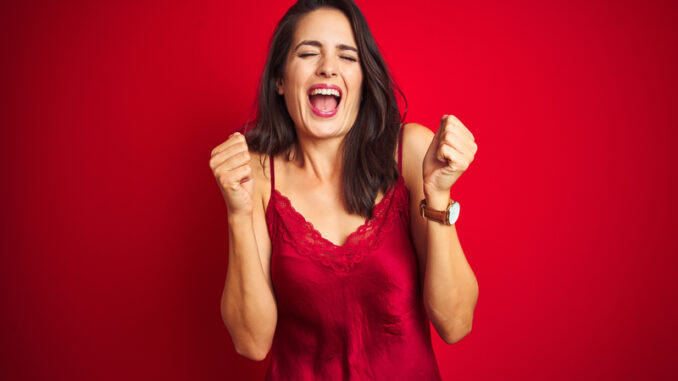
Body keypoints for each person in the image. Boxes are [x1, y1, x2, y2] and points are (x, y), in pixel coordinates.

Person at [209, 0, 479, 379]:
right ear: (280, 79)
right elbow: (252, 343)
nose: (328, 68)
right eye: (308, 52)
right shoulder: (255, 173)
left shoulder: (413, 153)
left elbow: (456, 323)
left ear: (364, 80)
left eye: (347, 56)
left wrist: (437, 195)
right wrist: (238, 212)